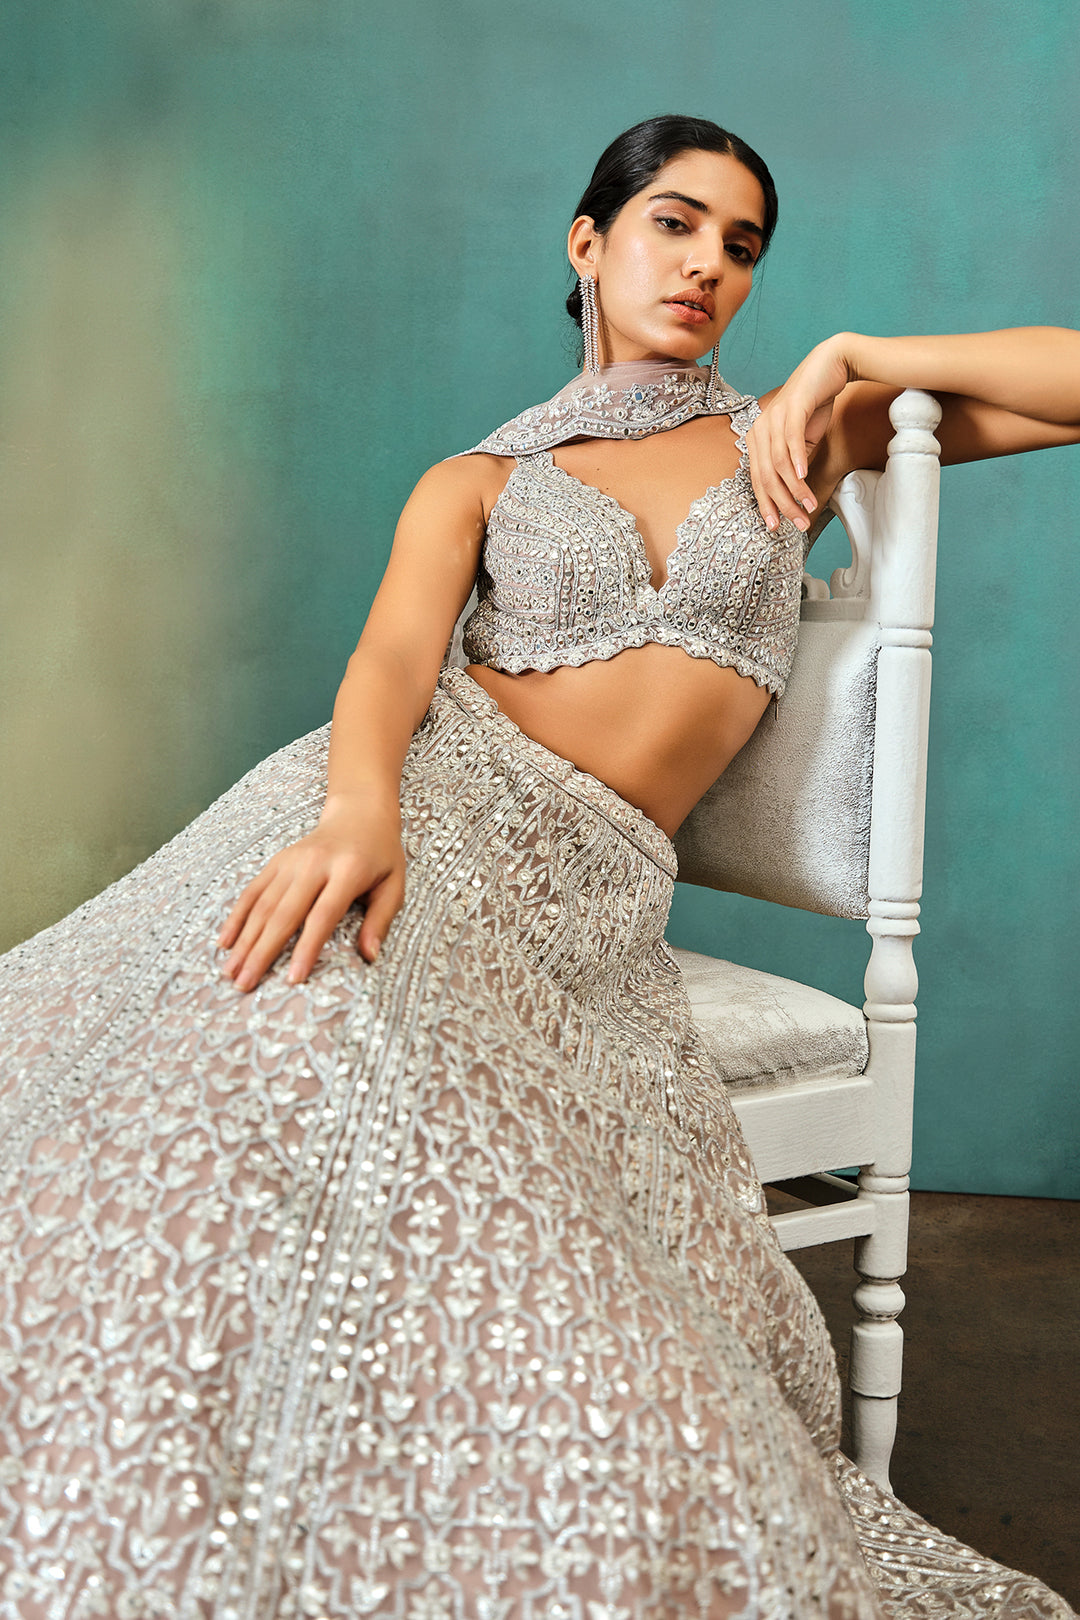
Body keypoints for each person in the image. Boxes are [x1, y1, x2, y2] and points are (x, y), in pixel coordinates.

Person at [0, 114, 1076, 1619]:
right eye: (673, 223)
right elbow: (389, 665)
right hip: (405, 800)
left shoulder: (796, 435)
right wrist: (359, 814)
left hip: (584, 869)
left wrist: (853, 352)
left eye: (742, 246)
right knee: (255, 1032)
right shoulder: (477, 478)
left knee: (341, 1047)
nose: (707, 266)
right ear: (590, 241)